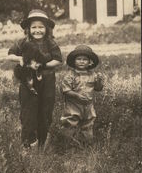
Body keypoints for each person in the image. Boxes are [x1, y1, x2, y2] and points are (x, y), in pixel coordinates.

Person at [8, 9, 62, 149]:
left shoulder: (50, 43)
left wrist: (42, 64)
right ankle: (28, 143)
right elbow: (10, 55)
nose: (37, 30)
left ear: (47, 28)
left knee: (45, 111)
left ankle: (42, 142)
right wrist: (21, 59)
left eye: (41, 27)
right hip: (28, 81)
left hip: (47, 81)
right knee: (28, 111)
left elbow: (58, 60)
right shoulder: (22, 42)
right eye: (34, 27)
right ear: (28, 29)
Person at [60, 45, 103, 145]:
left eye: (85, 59)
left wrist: (99, 81)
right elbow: (66, 90)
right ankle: (68, 144)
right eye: (79, 59)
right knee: (70, 123)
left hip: (88, 105)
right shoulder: (70, 75)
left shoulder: (93, 75)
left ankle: (87, 144)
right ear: (74, 61)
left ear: (90, 62)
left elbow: (98, 88)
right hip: (73, 105)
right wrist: (77, 95)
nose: (82, 61)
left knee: (88, 123)